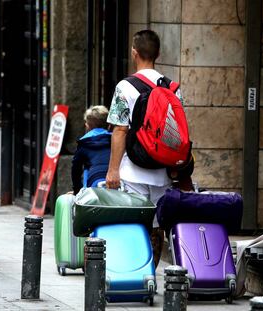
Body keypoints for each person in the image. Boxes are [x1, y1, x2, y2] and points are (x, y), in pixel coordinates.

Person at [106, 30, 184, 268]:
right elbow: (177, 133)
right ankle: (152, 273)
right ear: (158, 54)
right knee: (156, 226)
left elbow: (120, 130)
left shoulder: (125, 87)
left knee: (134, 222)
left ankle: (136, 272)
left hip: (133, 169)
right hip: (161, 170)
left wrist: (113, 170)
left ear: (134, 52)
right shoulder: (173, 88)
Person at [71, 105, 111, 195]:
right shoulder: (115, 140)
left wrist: (77, 191)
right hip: (116, 183)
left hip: (92, 187)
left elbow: (76, 170)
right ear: (109, 125)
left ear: (87, 126)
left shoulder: (84, 143)